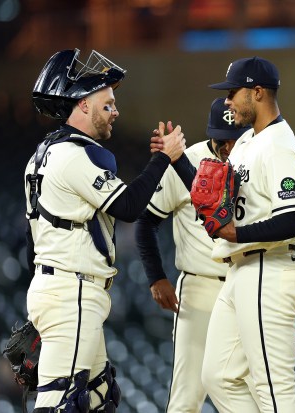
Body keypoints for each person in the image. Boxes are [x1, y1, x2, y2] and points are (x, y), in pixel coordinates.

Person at [24, 48, 185, 412]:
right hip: (71, 292)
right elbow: (129, 207)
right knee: (62, 404)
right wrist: (164, 158)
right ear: (82, 104)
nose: (116, 111)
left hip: (61, 287)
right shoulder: (71, 155)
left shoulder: (43, 153)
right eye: (107, 103)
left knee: (97, 396)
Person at [200, 56, 295, 413]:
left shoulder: (279, 143)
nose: (228, 101)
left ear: (259, 92)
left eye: (234, 92)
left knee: (273, 389)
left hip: (272, 267)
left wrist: (238, 232)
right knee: (217, 376)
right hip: (241, 270)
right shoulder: (249, 141)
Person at [134, 97, 249, 412]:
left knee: (248, 392)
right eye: (221, 137)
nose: (228, 145)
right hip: (201, 286)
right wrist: (156, 276)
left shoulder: (258, 160)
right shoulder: (188, 158)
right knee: (187, 396)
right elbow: (146, 222)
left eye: (235, 137)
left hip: (248, 283)